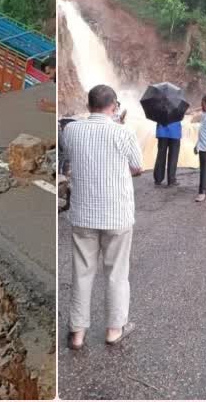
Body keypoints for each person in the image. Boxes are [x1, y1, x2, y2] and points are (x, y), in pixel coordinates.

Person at [61, 84, 143, 350]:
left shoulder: (70, 130)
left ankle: (77, 333)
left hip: (83, 214)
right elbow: (138, 167)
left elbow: (75, 161)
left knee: (82, 273)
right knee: (116, 273)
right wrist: (119, 125)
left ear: (88, 106)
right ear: (115, 106)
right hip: (117, 215)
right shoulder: (124, 133)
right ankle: (114, 330)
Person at [153, 120, 182, 187]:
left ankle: (158, 179)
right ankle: (171, 180)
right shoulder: (178, 109)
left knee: (161, 156)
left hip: (162, 132)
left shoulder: (160, 109)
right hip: (175, 132)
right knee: (173, 157)